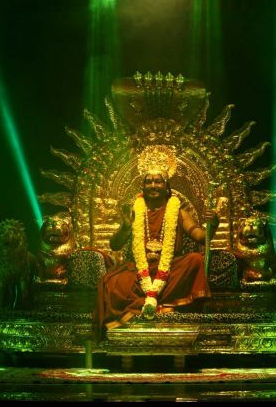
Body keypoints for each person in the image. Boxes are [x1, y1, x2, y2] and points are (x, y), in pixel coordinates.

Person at [93, 146, 219, 340]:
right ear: (143, 187)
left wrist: (214, 224)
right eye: (149, 181)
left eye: (158, 181)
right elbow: (115, 245)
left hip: (171, 270)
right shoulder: (135, 211)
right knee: (110, 281)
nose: (153, 185)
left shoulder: (179, 212)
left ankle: (160, 304)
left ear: (166, 187)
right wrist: (125, 227)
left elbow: (201, 236)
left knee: (194, 260)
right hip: (139, 270)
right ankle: (157, 305)